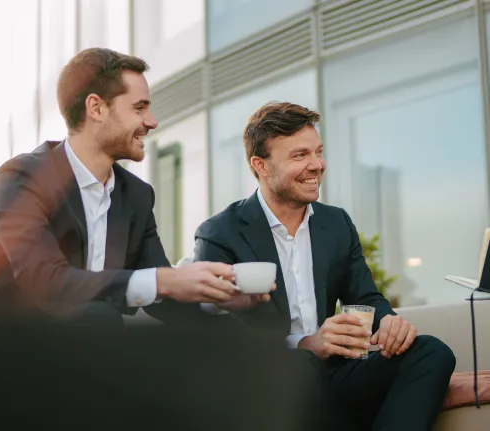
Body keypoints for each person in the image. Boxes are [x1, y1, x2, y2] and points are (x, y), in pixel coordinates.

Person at [193, 102, 456, 430]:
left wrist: (389, 323)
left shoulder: (336, 223)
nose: (317, 165)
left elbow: (367, 297)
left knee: (431, 352)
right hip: (266, 379)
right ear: (260, 165)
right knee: (303, 370)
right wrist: (305, 345)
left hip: (333, 371)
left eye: (318, 152)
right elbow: (217, 332)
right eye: (300, 155)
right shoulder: (219, 233)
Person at [0, 47, 240, 326]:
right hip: (8, 349)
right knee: (102, 318)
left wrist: (220, 301)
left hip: (91, 350)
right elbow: (46, 283)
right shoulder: (21, 178)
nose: (152, 122)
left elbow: (162, 295)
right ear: (96, 108)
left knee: (227, 329)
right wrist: (165, 279)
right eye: (139, 108)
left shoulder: (136, 195)